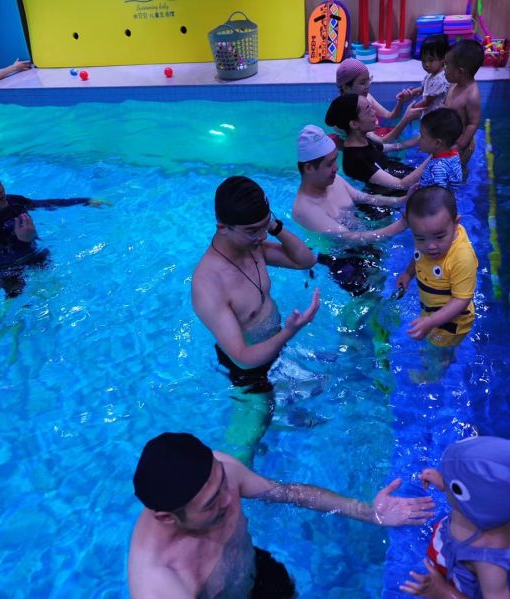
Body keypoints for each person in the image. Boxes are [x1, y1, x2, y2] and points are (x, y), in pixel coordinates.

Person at [128, 432, 437, 599]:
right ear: (167, 518)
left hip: (256, 572)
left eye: (223, 481)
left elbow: (290, 493)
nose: (229, 498)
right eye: (210, 504)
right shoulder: (159, 584)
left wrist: (369, 513)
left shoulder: (217, 471)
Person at [191, 177, 319, 463]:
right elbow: (243, 357)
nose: (261, 237)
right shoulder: (209, 284)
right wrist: (289, 332)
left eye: (264, 227)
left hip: (277, 344)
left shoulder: (253, 247)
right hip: (249, 371)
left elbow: (306, 260)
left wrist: (274, 226)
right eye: (252, 231)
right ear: (222, 228)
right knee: (246, 445)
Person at [400, 436, 510, 599]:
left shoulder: (488, 557)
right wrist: (445, 482)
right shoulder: (503, 503)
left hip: (458, 586)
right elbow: (475, 491)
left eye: (453, 485)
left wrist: (440, 590)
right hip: (448, 545)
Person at [291, 124, 407, 296]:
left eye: (335, 160)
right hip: (343, 260)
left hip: (364, 242)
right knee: (370, 298)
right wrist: (400, 225)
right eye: (329, 164)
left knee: (382, 284)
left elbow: (364, 198)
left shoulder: (334, 180)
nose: (336, 168)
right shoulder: (304, 209)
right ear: (308, 168)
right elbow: (348, 238)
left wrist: (401, 200)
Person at [0, 162, 102, 298]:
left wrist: (85, 201)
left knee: (64, 291)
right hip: (12, 273)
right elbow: (5, 260)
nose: (0, 189)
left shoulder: (13, 202)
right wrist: (24, 242)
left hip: (38, 255)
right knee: (17, 302)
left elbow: (45, 204)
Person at [396, 186, 477, 381]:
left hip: (452, 322)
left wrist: (431, 322)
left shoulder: (461, 258)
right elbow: (418, 256)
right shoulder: (428, 234)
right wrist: (408, 274)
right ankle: (439, 352)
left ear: (456, 224)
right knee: (432, 343)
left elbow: (462, 300)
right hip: (432, 310)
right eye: (420, 238)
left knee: (439, 353)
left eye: (440, 236)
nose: (430, 246)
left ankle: (434, 374)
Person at [325, 93, 428, 193]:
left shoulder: (364, 141)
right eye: (368, 110)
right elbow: (401, 185)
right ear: (354, 124)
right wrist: (434, 156)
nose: (374, 112)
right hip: (391, 194)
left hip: (399, 176)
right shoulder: (355, 160)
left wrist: (427, 136)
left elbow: (397, 146)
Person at [335, 58, 415, 143]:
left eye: (368, 80)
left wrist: (400, 102)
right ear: (346, 87)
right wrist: (406, 119)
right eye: (362, 83)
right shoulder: (347, 113)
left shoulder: (366, 97)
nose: (367, 86)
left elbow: (389, 115)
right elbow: (381, 142)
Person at [443, 40, 484, 165]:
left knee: (457, 170)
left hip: (461, 145)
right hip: (448, 137)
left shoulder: (472, 95)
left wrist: (460, 145)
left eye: (447, 65)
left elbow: (473, 124)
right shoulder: (454, 84)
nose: (444, 69)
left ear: (461, 72)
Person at [416, 108, 464, 194]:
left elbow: (437, 198)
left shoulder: (437, 169)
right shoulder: (454, 154)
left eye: (422, 136)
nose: (419, 139)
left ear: (437, 143)